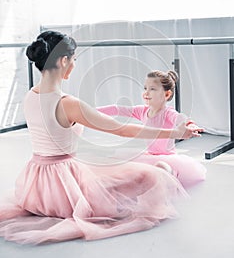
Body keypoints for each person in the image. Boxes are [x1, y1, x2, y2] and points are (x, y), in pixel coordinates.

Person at [0, 31, 203, 245]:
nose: (74, 64)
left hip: (36, 187)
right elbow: (122, 129)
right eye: (74, 59)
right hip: (64, 187)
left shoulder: (30, 95)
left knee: (111, 173)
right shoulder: (68, 104)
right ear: (64, 60)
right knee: (153, 175)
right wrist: (175, 133)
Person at [97, 70, 206, 188]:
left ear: (167, 94)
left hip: (167, 157)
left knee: (163, 167)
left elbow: (181, 119)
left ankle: (168, 182)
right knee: (124, 166)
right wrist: (88, 111)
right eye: (145, 88)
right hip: (149, 155)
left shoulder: (168, 113)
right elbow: (117, 109)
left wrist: (190, 125)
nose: (146, 93)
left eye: (152, 89)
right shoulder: (142, 111)